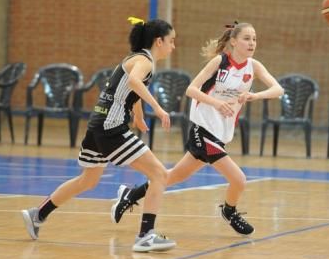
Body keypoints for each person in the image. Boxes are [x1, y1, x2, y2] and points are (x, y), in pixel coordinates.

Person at [111, 21, 284, 236]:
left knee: (172, 177)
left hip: (220, 133)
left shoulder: (253, 66)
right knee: (238, 179)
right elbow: (191, 90)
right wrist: (216, 103)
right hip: (202, 128)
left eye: (254, 39)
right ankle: (229, 211)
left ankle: (131, 194)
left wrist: (254, 95)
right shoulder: (219, 62)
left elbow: (278, 89)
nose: (252, 43)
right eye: (247, 38)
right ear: (233, 41)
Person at [21, 17, 177, 252]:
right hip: (111, 127)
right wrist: (157, 107)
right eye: (172, 41)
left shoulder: (132, 58)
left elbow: (127, 89)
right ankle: (146, 235)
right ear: (159, 41)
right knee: (160, 175)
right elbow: (135, 81)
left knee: (88, 180)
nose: (173, 46)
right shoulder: (145, 61)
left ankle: (38, 214)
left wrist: (138, 115)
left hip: (97, 124)